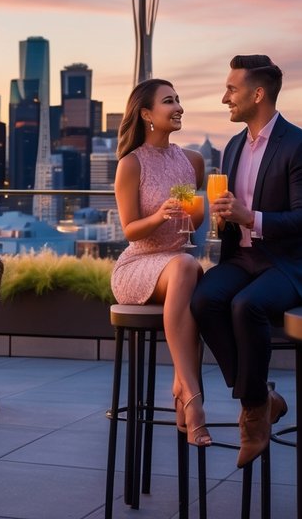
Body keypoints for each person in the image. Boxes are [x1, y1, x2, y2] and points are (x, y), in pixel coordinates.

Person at [191, 55, 302, 467]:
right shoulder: (235, 145)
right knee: (203, 300)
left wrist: (248, 216)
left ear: (258, 94)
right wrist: (226, 217)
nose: (224, 98)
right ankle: (261, 397)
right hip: (245, 256)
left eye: (231, 89)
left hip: (293, 263)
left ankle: (253, 416)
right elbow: (234, 213)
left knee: (247, 306)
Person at [111, 78, 212, 447]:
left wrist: (201, 211)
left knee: (190, 268)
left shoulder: (191, 162)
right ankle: (193, 397)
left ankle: (181, 389)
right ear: (147, 114)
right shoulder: (131, 164)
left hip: (176, 262)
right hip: (139, 265)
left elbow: (187, 226)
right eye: (169, 101)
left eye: (179, 99)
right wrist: (159, 216)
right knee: (188, 268)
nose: (179, 106)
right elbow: (131, 230)